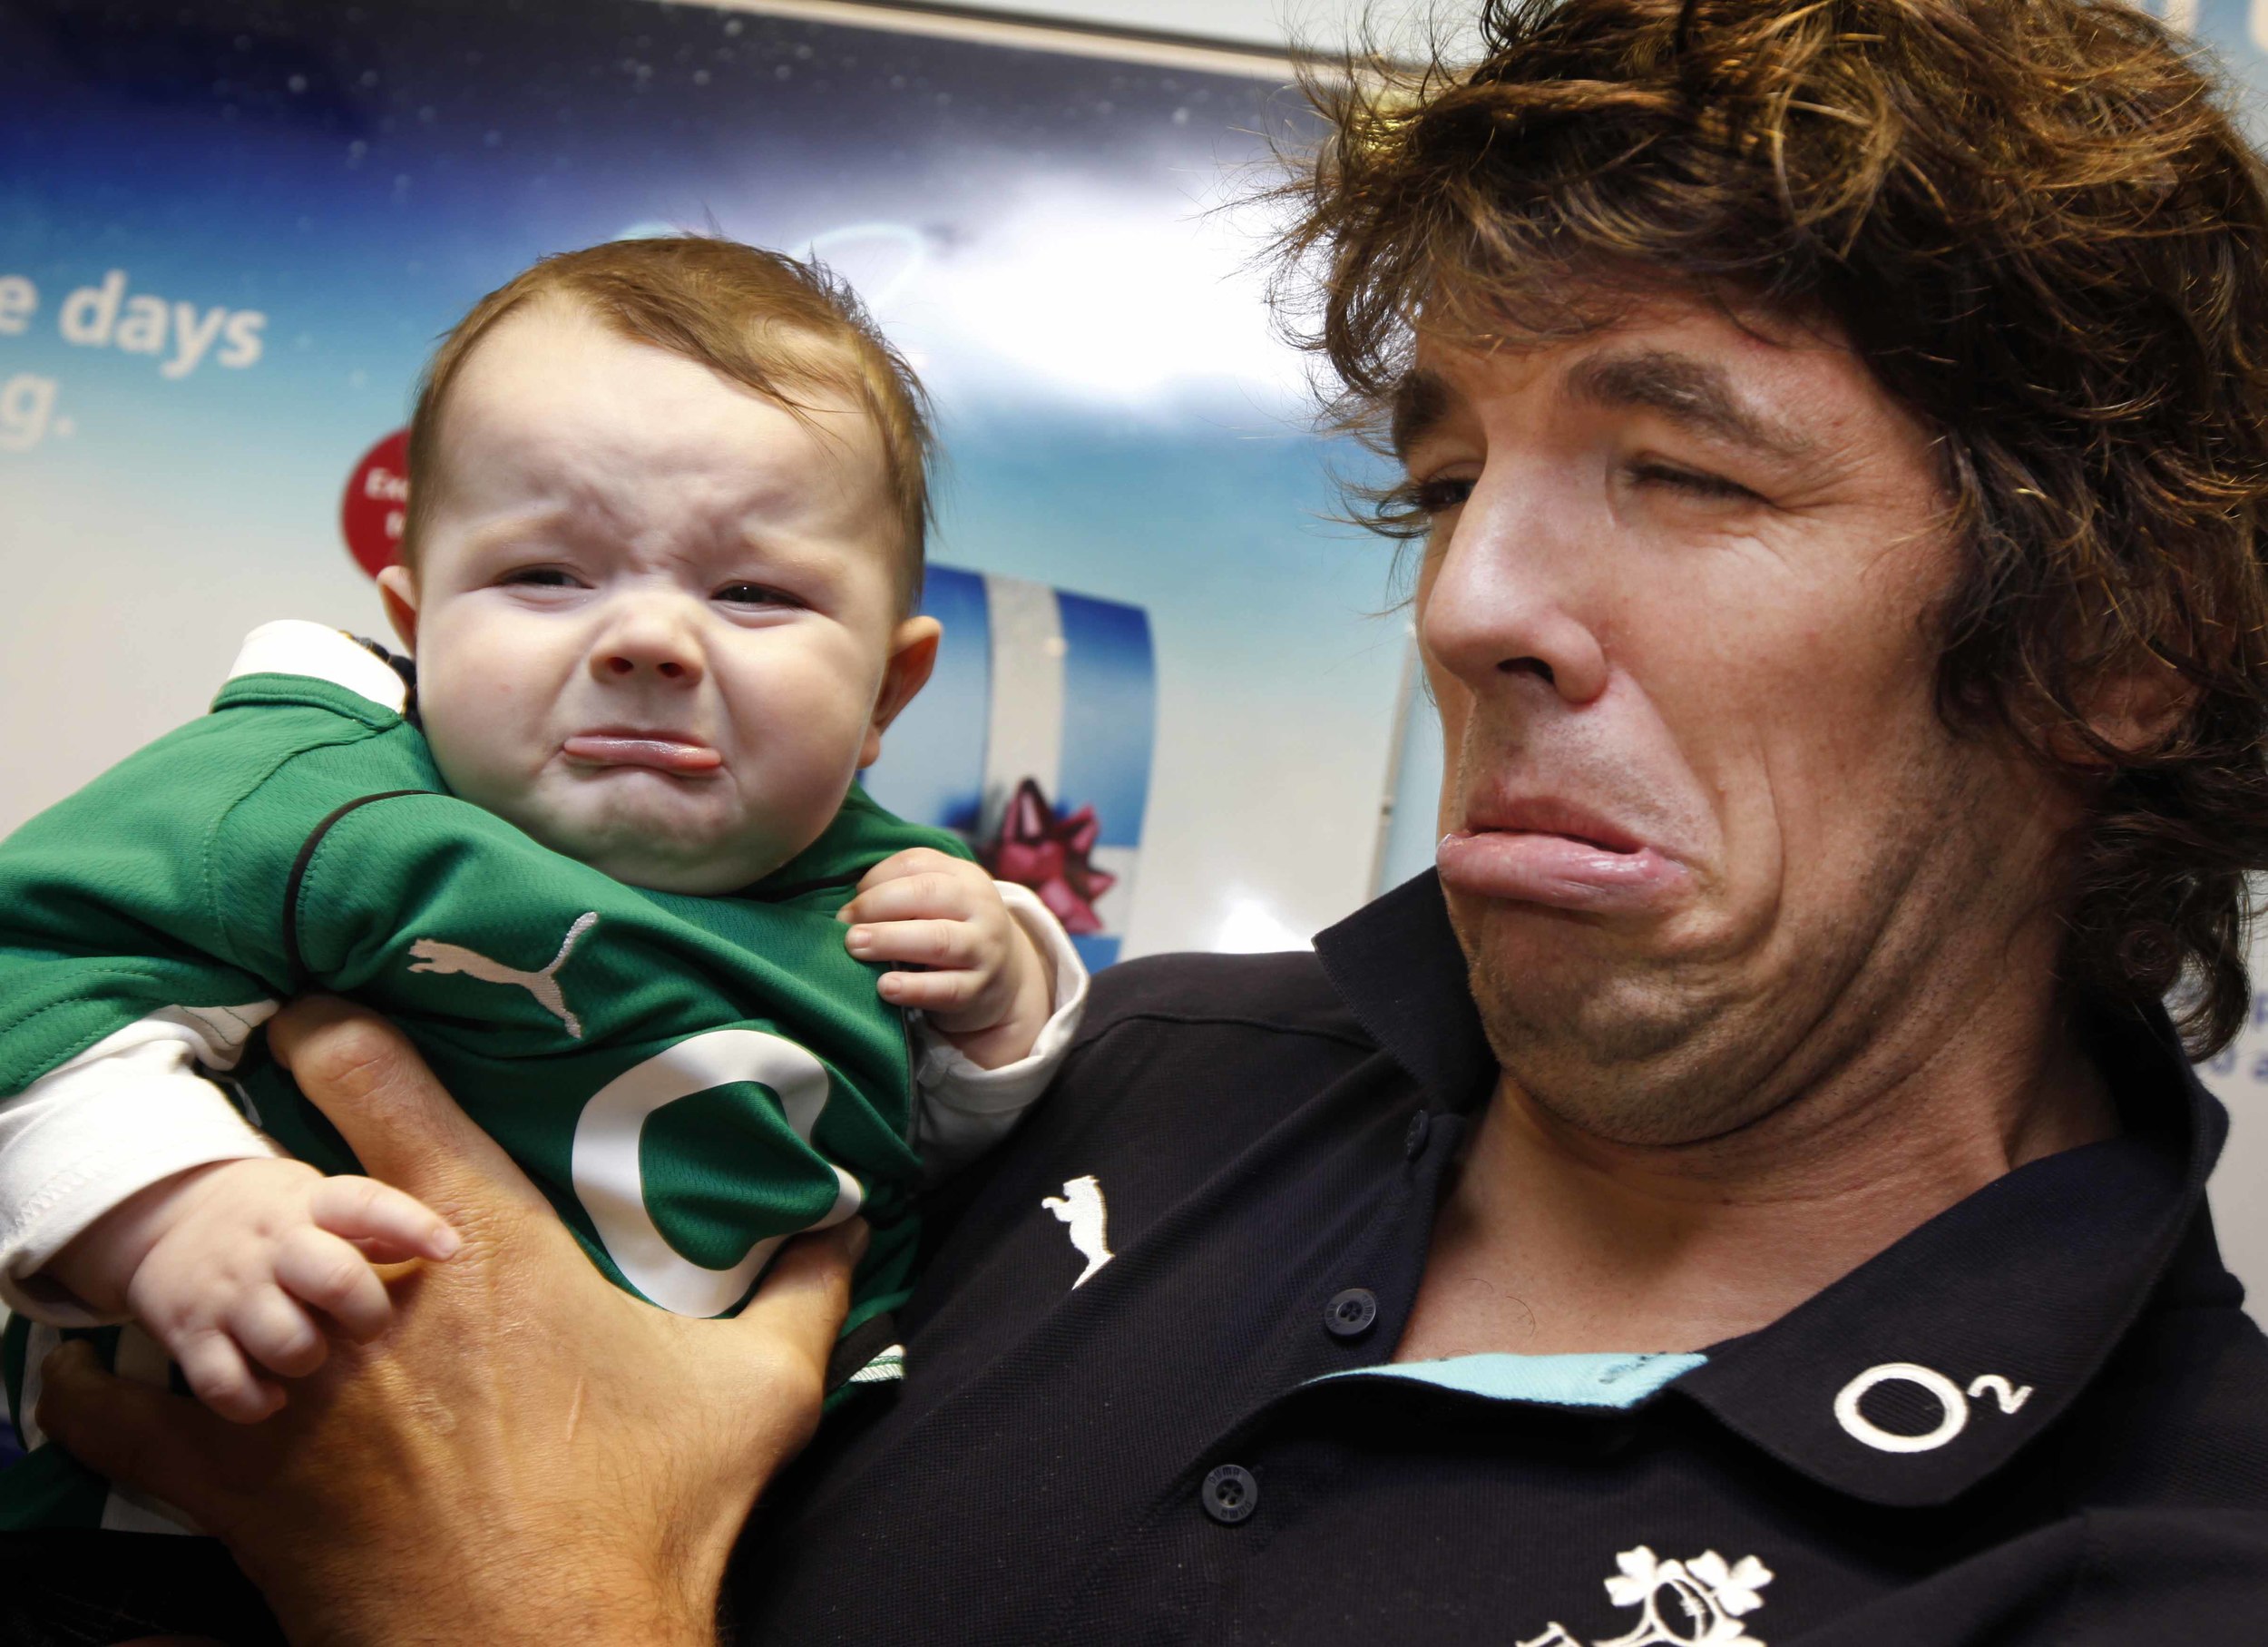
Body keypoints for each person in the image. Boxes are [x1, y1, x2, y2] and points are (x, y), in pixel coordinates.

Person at [29, 0, 2268, 1641]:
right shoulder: (1108, 1069)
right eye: (1443, 483)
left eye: (1678, 474)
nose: (1470, 606)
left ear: (2115, 637)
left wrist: (514, 1614)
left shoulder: (2158, 1567)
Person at [0, 239, 1084, 1632]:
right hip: (160, 1542)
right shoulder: (313, 802)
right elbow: (36, 980)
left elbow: (922, 1163)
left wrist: (999, 1012)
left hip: (684, 1566)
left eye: (752, 593)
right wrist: (173, 1209)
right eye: (546, 574)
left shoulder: (895, 902)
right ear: (416, 626)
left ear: (889, 686)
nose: (648, 639)